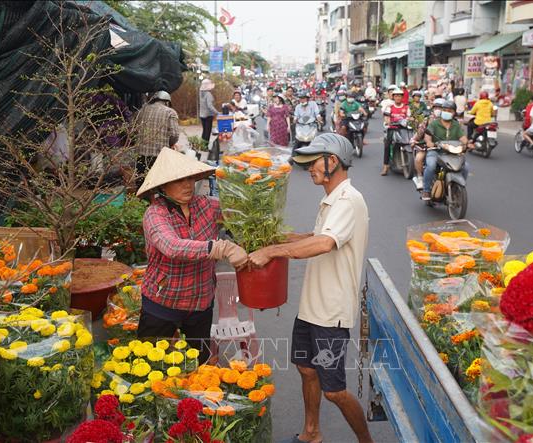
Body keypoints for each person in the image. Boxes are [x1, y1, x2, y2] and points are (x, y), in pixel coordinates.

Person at [248, 133, 373, 443]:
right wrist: (281, 239)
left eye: (315, 162)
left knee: (334, 390)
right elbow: (315, 236)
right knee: (305, 368)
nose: (309, 169)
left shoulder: (347, 199)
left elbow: (324, 243)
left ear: (334, 161)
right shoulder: (330, 200)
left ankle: (367, 441)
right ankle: (311, 433)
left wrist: (271, 252)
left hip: (331, 313)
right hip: (311, 308)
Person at [136, 147, 248, 365]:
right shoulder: (155, 214)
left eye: (190, 179)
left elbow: (241, 214)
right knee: (148, 364)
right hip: (163, 304)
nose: (187, 185)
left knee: (199, 363)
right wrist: (222, 248)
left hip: (200, 304)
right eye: (179, 180)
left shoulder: (207, 205)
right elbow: (172, 246)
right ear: (163, 186)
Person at [423, 101, 472, 200]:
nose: (446, 112)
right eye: (444, 110)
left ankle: (457, 188)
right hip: (436, 151)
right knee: (431, 165)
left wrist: (467, 143)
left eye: (449, 111)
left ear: (454, 113)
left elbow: (462, 137)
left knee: (465, 167)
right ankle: (426, 190)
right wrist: (430, 143)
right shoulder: (434, 123)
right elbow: (427, 137)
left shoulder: (456, 124)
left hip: (452, 152)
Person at [135, 91, 180, 179]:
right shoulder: (170, 112)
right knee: (158, 182)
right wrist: (170, 144)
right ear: (167, 102)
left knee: (141, 182)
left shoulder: (142, 110)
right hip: (159, 155)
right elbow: (174, 135)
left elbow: (134, 128)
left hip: (140, 155)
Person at [412, 98, 445, 190]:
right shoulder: (427, 119)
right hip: (429, 146)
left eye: (441, 107)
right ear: (433, 108)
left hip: (447, 147)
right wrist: (414, 139)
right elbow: (420, 132)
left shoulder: (449, 120)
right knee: (419, 158)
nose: (438, 109)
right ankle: (420, 178)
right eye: (436, 107)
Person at [381, 88, 411, 176]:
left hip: (404, 129)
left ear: (402, 97)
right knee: (387, 145)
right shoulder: (390, 107)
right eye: (396, 96)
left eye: (400, 96)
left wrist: (409, 120)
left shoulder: (406, 107)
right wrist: (388, 121)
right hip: (392, 128)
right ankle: (385, 166)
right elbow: (386, 118)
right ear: (393, 97)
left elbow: (409, 117)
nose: (398, 98)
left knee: (411, 143)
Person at [199, 79, 219, 144]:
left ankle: (202, 145)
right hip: (208, 115)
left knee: (204, 131)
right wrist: (217, 113)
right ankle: (205, 146)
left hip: (202, 115)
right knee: (207, 131)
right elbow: (210, 106)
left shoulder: (201, 93)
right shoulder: (208, 94)